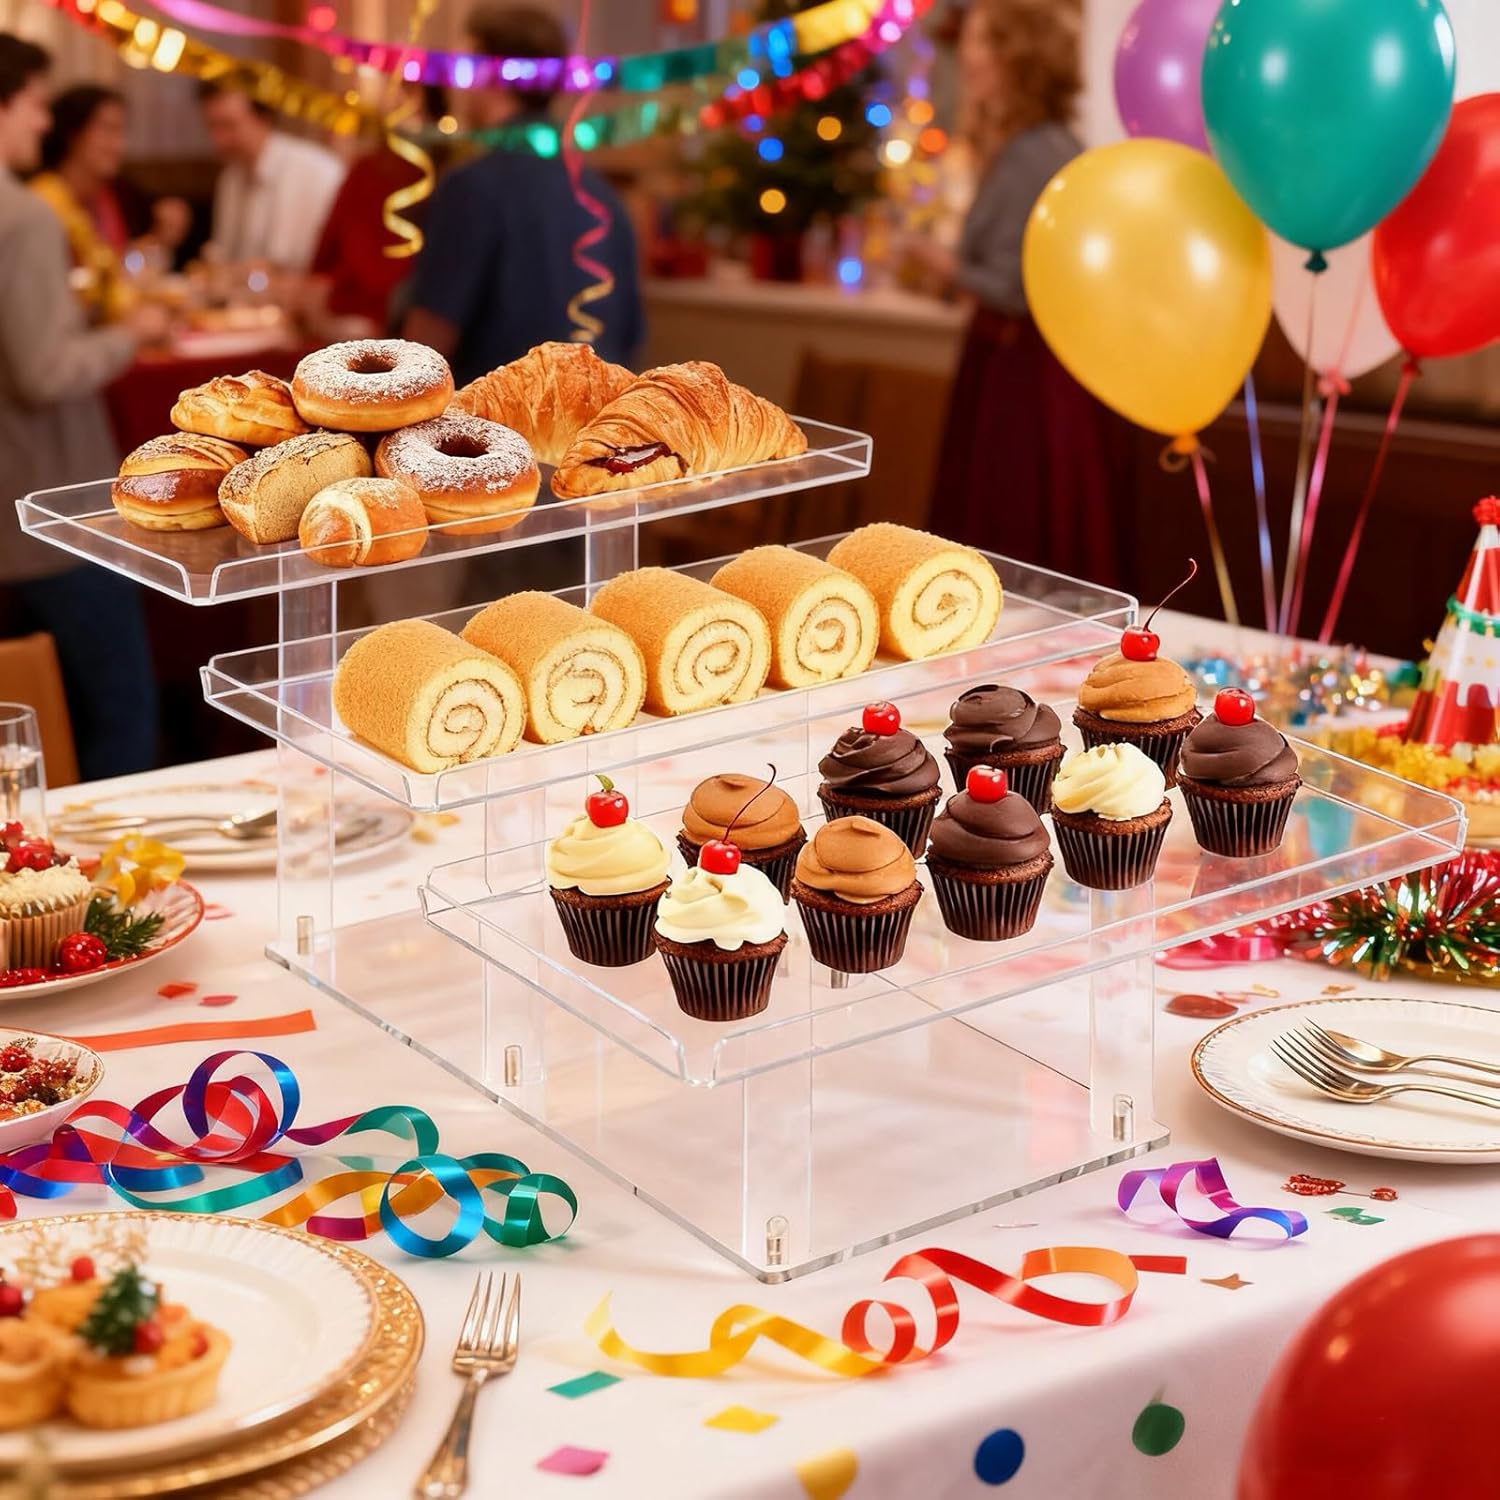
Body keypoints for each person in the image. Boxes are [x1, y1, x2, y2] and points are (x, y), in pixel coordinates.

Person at [917, 0, 1129, 587]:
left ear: (1018, 57)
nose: (967, 55)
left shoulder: (1033, 153)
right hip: (1016, 371)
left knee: (1012, 531)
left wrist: (944, 265)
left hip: (1023, 382)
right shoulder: (1040, 146)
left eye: (982, 40)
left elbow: (1017, 288)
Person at [0, 35, 167, 779]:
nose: (43, 123)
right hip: (47, 506)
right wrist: (125, 338)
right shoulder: (25, 217)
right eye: (35, 103)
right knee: (121, 713)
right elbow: (42, 371)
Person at [402, 4, 643, 383]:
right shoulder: (604, 197)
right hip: (598, 424)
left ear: (495, 73)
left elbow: (425, 351)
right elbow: (629, 337)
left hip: (498, 426)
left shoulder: (472, 187)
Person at [29, 85, 189, 324]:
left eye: (121, 132)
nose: (118, 145)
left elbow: (121, 270)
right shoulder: (41, 204)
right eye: (108, 130)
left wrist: (159, 240)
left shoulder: (114, 196)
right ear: (73, 134)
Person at [308, 84, 450, 335]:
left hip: (373, 320)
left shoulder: (447, 180)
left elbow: (324, 256)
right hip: (384, 320)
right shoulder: (448, 175)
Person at [199, 76, 345, 272]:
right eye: (212, 126)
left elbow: (309, 267)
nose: (219, 140)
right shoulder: (231, 178)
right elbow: (224, 258)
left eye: (228, 126)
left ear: (264, 119)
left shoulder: (316, 171)